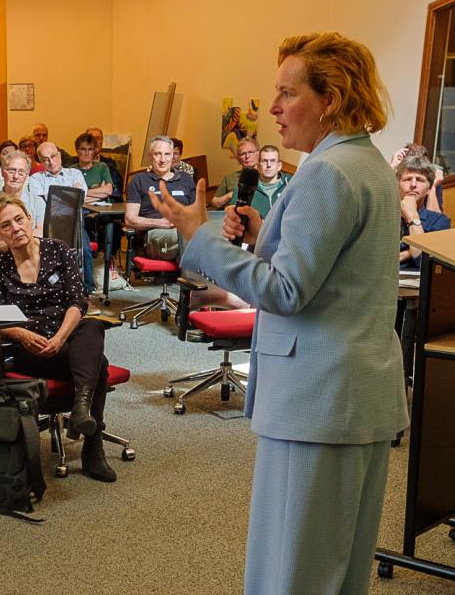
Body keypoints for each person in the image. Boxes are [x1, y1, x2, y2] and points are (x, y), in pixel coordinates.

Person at [147, 32, 406, 594]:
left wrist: (199, 237)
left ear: (330, 99)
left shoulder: (326, 172)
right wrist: (267, 233)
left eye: (288, 93)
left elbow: (286, 291)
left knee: (295, 575)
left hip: (319, 398)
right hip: (353, 391)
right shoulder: (367, 163)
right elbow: (339, 270)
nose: (273, 108)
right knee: (337, 570)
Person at [0, 196, 114, 481]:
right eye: (6, 225)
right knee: (99, 365)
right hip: (29, 348)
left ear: (30, 219)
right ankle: (92, 442)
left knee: (92, 326)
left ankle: (81, 408)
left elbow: (78, 301)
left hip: (65, 338)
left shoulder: (58, 249)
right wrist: (21, 333)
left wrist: (61, 338)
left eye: (19, 219)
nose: (16, 228)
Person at [125, 137, 193, 261]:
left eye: (167, 154)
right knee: (188, 239)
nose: (163, 159)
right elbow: (130, 219)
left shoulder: (186, 179)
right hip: (154, 235)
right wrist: (161, 223)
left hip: (185, 231)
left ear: (173, 156)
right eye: (158, 154)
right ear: (150, 155)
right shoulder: (139, 180)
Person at [394, 157, 450, 270]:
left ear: (429, 189)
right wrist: (408, 253)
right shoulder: (383, 217)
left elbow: (423, 262)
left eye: (420, 180)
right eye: (407, 179)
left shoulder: (439, 221)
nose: (413, 184)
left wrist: (412, 216)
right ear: (397, 185)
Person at [0, 151, 37, 246]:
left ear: (27, 176)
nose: (16, 176)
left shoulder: (37, 201)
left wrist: (5, 238)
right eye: (11, 171)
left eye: (21, 172)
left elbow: (41, 234)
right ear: (2, 173)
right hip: (2, 253)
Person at [391, 142, 443, 212]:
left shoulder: (432, 181)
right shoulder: (395, 177)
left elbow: (435, 217)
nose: (413, 184)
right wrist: (392, 169)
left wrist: (432, 186)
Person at [210, 138, 262, 208]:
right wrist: (231, 195)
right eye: (243, 154)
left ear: (259, 153)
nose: (247, 156)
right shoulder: (230, 178)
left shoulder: (266, 176)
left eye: (250, 152)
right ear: (238, 158)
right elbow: (215, 203)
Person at [246, 145, 293, 216]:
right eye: (265, 161)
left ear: (279, 166)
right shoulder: (247, 185)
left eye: (273, 161)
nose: (269, 165)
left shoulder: (291, 183)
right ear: (258, 166)